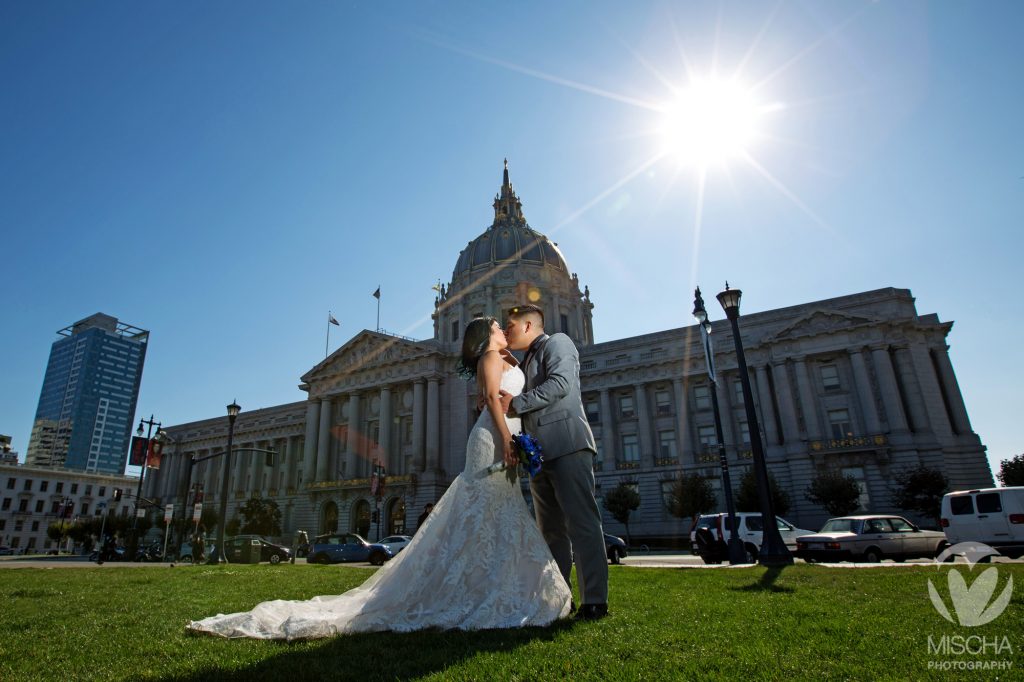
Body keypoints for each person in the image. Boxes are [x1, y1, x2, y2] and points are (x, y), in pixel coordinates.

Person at [187, 317, 570, 640]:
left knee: (492, 519)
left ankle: (490, 588)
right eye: (495, 326)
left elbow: (503, 394)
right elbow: (490, 399)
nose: (504, 327)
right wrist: (508, 439)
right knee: (485, 516)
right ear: (484, 337)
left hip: (502, 442)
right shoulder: (491, 357)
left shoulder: (508, 359)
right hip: (495, 442)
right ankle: (481, 592)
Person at [501, 304, 609, 620]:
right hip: (539, 456)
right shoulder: (525, 360)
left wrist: (515, 404)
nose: (507, 332)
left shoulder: (557, 342)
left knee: (582, 524)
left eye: (510, 326)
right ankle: (560, 600)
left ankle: (595, 600)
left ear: (529, 325)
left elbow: (561, 384)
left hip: (567, 445)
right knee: (551, 532)